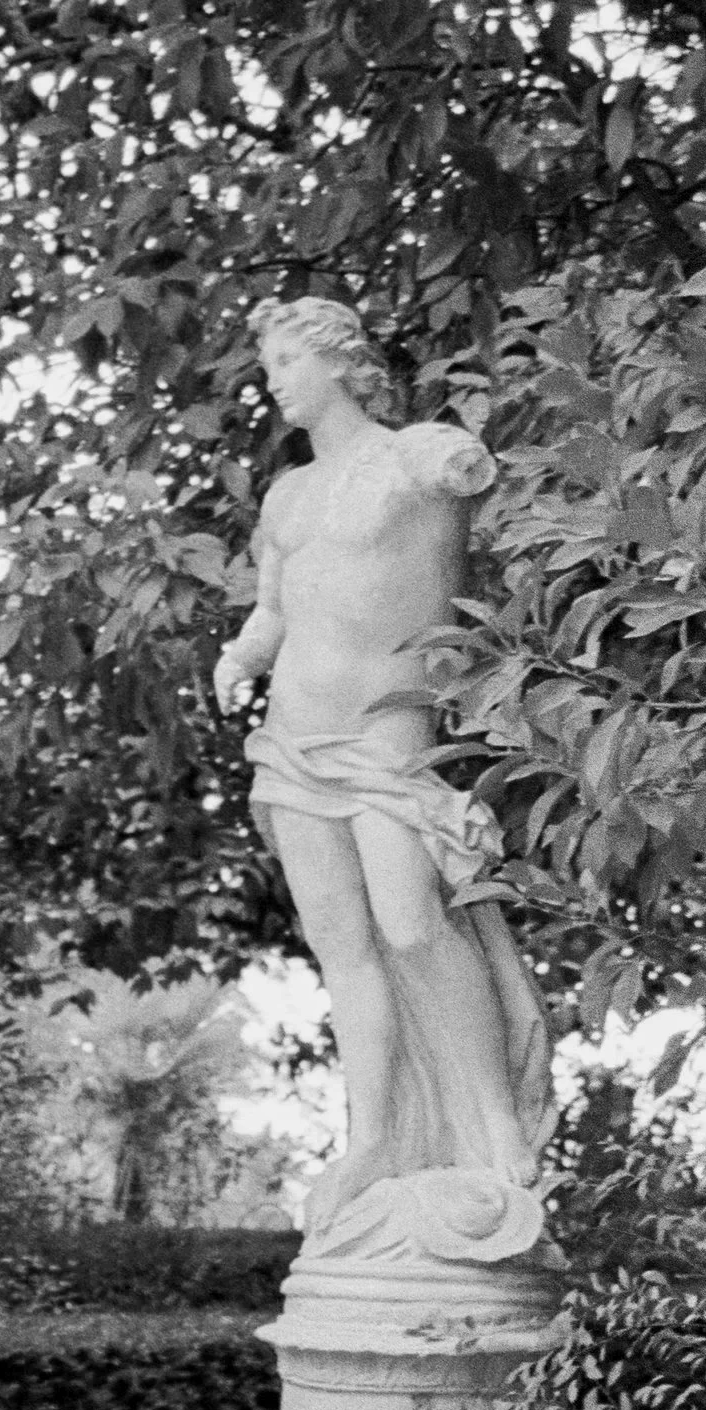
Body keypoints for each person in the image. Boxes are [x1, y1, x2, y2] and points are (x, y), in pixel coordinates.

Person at [214, 296, 553, 1240]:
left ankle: (491, 1121)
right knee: (345, 952)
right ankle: (371, 1137)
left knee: (413, 927)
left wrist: (457, 460)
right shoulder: (287, 497)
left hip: (387, 732)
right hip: (292, 740)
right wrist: (240, 657)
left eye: (286, 359)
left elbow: (465, 468)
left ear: (337, 362)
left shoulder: (411, 459)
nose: (273, 380)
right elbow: (273, 611)